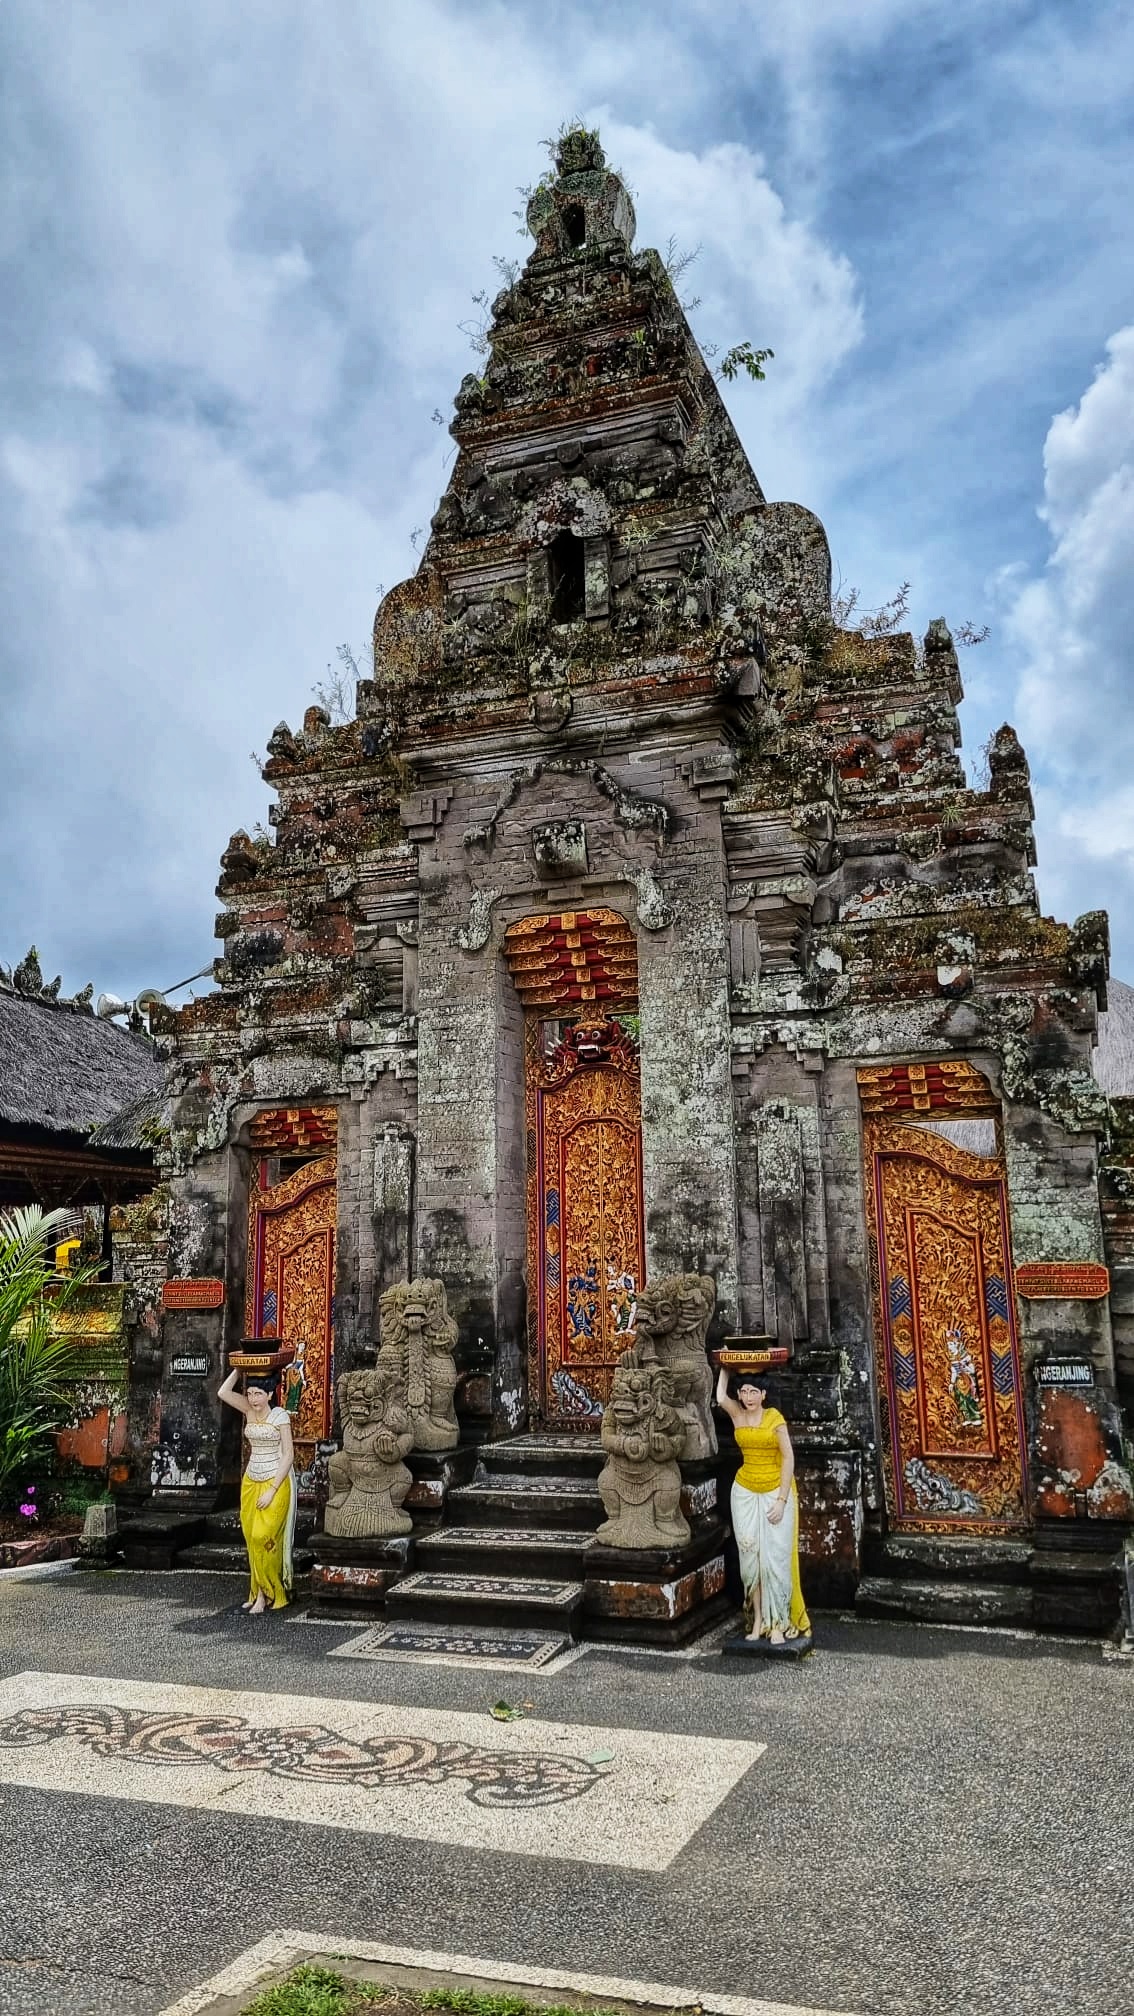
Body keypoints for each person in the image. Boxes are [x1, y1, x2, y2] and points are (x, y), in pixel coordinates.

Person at [716, 1365, 810, 1644]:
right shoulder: (738, 1414)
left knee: (774, 1561)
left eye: (753, 1392)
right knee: (750, 1561)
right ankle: (757, 1620)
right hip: (744, 1491)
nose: (748, 1397)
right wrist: (725, 1368)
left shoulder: (774, 1419)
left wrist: (782, 1500)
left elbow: (789, 1459)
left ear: (764, 1393)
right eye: (744, 1392)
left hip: (774, 1491)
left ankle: (778, 1622)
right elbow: (721, 1397)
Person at [218, 1367, 297, 1612]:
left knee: (265, 1537)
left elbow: (289, 1455)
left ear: (270, 1394)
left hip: (276, 1481)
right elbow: (222, 1392)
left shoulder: (280, 1416)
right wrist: (239, 1369)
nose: (253, 1398)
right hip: (252, 1480)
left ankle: (273, 1591)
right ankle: (259, 1593)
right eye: (250, 1393)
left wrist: (272, 1490)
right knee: (251, 1538)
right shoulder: (249, 1410)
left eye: (258, 1394)